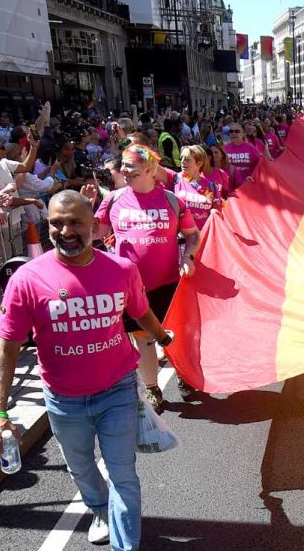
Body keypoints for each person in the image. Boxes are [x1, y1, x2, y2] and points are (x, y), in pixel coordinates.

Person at [0, 190, 173, 551]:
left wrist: (163, 336)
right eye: (56, 223)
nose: (65, 230)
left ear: (95, 226)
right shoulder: (26, 279)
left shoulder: (121, 269)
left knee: (123, 474)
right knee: (82, 468)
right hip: (64, 400)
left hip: (117, 391)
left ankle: (125, 546)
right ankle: (99, 509)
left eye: (75, 222)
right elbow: (5, 347)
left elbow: (139, 310)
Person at [82, 145, 200, 412]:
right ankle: (153, 389)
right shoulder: (113, 199)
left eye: (131, 166)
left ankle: (183, 375)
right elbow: (94, 233)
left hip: (167, 283)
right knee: (144, 340)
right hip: (130, 287)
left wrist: (188, 257)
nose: (124, 170)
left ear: (149, 169)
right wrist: (86, 209)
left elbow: (193, 234)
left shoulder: (172, 200)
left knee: (174, 334)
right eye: (123, 164)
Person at [174, 145, 221, 230]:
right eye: (182, 158)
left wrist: (216, 211)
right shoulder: (174, 178)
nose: (183, 162)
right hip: (183, 239)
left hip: (205, 236)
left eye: (187, 159)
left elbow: (219, 212)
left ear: (199, 163)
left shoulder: (211, 187)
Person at [223, 123, 261, 192]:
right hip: (231, 188)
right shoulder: (224, 149)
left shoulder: (252, 149)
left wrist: (254, 177)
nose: (233, 133)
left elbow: (260, 166)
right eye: (231, 131)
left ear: (243, 133)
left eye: (237, 131)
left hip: (248, 187)